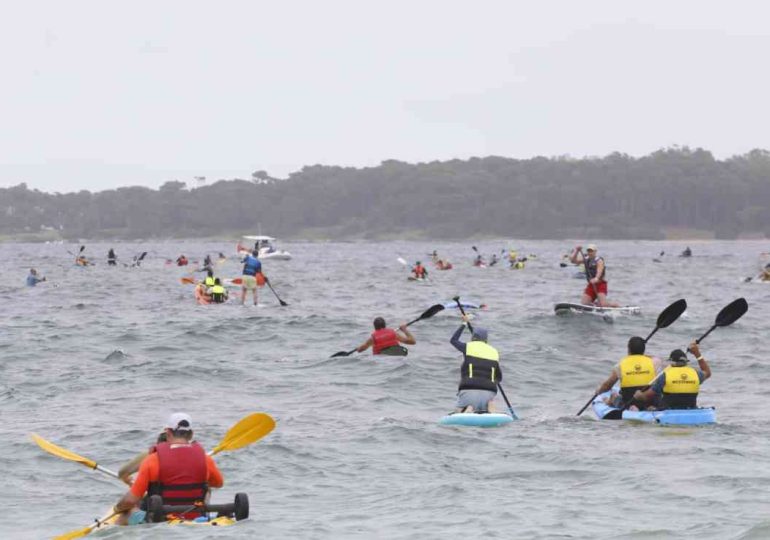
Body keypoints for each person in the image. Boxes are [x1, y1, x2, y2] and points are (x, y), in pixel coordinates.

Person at [112, 413, 224, 525]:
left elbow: (130, 500)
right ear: (191, 435)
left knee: (128, 512)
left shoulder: (152, 460)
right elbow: (218, 483)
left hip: (160, 520)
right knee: (206, 486)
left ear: (168, 433)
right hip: (195, 518)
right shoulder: (206, 460)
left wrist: (117, 509)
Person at [634, 343, 711, 410]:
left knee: (649, 405)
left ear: (672, 362)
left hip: (668, 411)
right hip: (690, 408)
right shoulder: (696, 374)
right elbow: (707, 372)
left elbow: (648, 396)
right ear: (686, 362)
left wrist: (639, 395)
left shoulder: (665, 375)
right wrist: (697, 354)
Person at [450, 315, 502, 412]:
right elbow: (499, 377)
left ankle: (468, 408)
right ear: (486, 339)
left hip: (468, 389)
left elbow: (453, 340)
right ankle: (491, 408)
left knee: (462, 408)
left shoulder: (468, 347)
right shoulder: (494, 352)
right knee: (489, 403)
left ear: (472, 337)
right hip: (489, 391)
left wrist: (464, 323)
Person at [594, 336, 662, 409]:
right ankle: (649, 407)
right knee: (654, 394)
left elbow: (608, 385)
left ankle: (630, 406)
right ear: (643, 350)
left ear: (628, 349)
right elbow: (654, 358)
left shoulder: (620, 365)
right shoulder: (655, 362)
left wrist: (599, 391)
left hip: (629, 401)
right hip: (650, 400)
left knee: (614, 396)